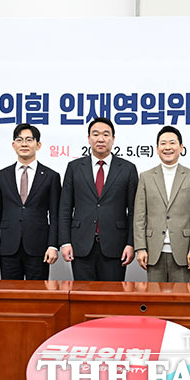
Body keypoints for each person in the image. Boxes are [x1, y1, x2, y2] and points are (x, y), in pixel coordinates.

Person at [58, 117, 138, 281]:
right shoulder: (74, 167)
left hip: (115, 246)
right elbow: (65, 208)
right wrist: (65, 242)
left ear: (113, 139)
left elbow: (134, 211)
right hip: (81, 245)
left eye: (106, 134)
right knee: (82, 295)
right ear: (89, 139)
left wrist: (131, 243)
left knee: (112, 295)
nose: (100, 139)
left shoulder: (128, 169)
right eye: (95, 134)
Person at [0, 123, 61, 280]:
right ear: (13, 145)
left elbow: (55, 216)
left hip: (39, 247)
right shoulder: (1, 176)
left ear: (38, 145)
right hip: (8, 247)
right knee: (10, 293)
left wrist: (53, 245)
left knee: (37, 293)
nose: (24, 144)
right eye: (19, 140)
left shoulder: (51, 176)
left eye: (29, 139)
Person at [133, 126, 190, 282]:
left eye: (172, 143)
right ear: (157, 149)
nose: (167, 147)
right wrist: (140, 248)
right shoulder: (146, 177)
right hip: (153, 251)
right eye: (163, 143)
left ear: (181, 147)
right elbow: (139, 216)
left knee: (181, 296)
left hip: (183, 250)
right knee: (154, 295)